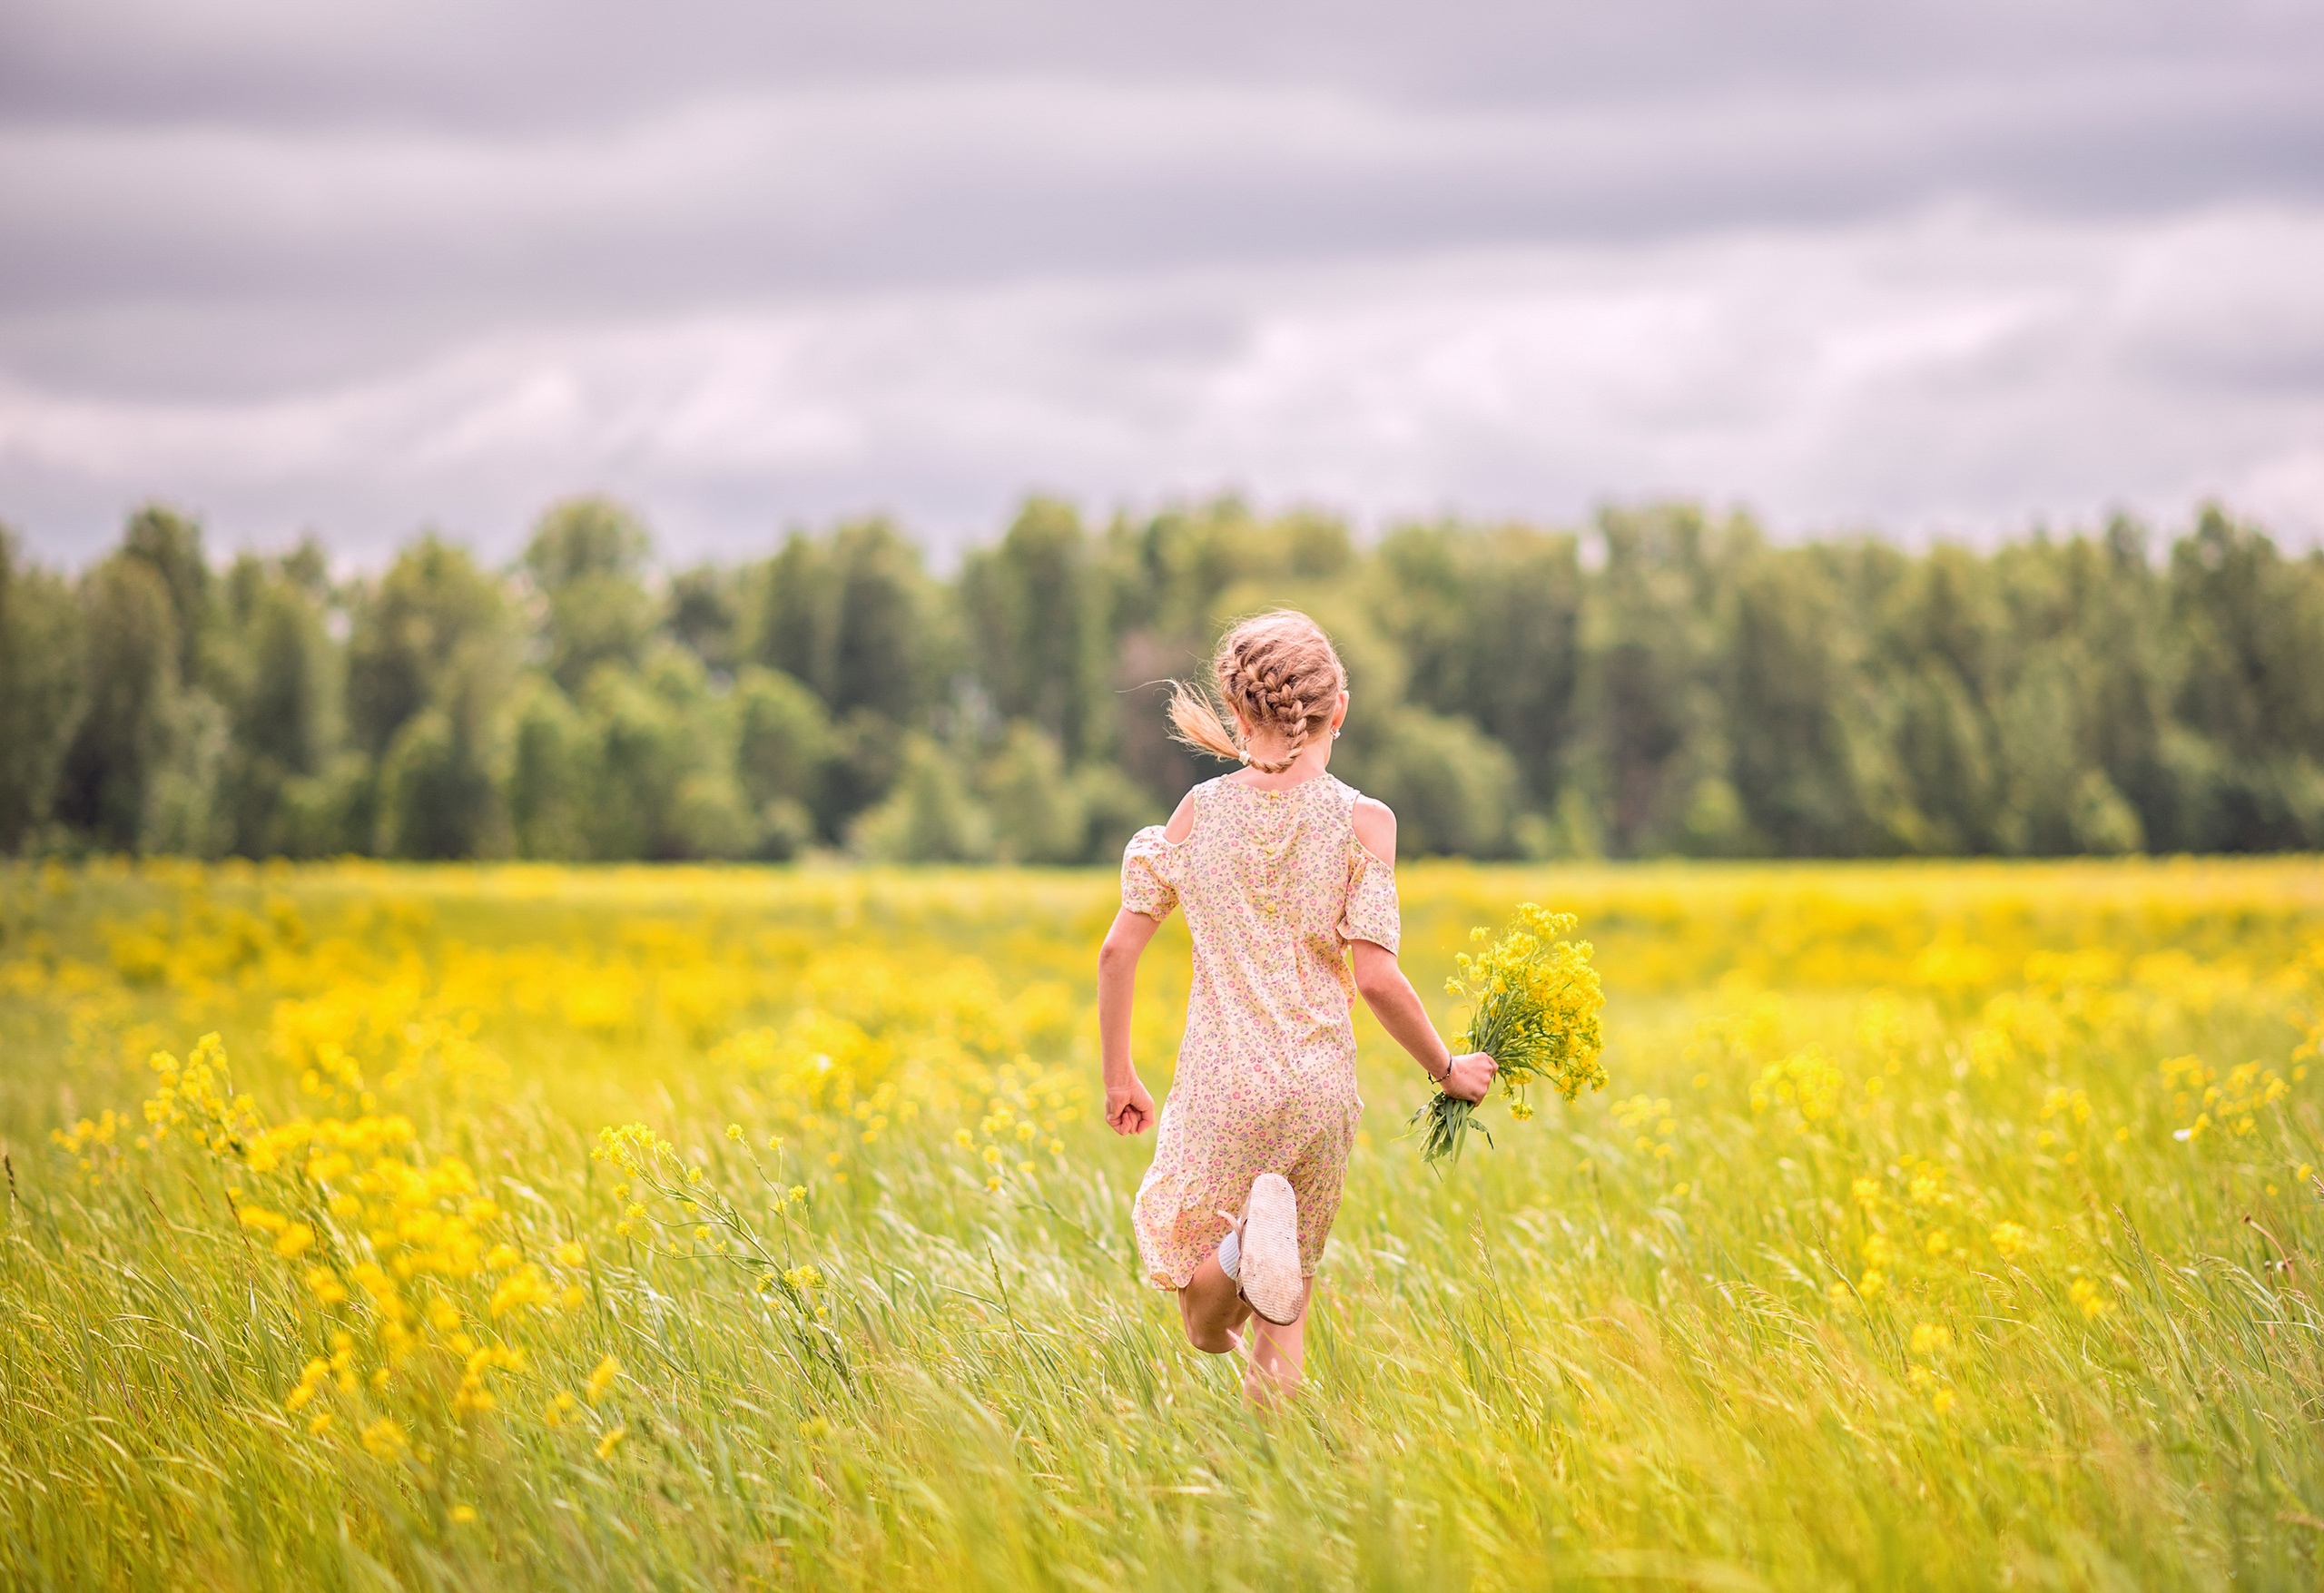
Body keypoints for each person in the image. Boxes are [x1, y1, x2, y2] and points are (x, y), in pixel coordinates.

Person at [1096, 609, 1498, 1408]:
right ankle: (1274, 1467)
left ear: (1236, 710)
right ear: (1337, 709)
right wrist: (1448, 1069)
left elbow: (1117, 951)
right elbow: (1378, 979)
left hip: (1222, 1093)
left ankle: (1242, 1253)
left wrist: (1120, 1076)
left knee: (1203, 1321)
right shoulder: (1363, 822)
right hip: (1316, 1095)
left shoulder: (1198, 815)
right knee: (1288, 1311)